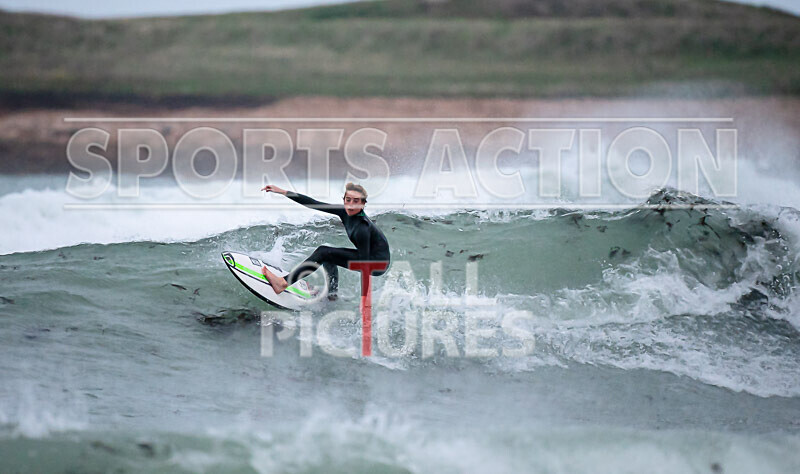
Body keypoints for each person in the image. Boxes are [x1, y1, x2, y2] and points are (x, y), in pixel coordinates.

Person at [260, 182, 390, 300]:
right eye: (348, 199)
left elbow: (365, 267)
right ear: (343, 200)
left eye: (356, 201)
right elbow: (313, 203)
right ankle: (332, 295)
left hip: (376, 262)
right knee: (328, 254)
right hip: (370, 256)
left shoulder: (363, 228)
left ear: (362, 204)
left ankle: (282, 283)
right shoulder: (345, 212)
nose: (350, 204)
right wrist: (283, 191)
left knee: (324, 252)